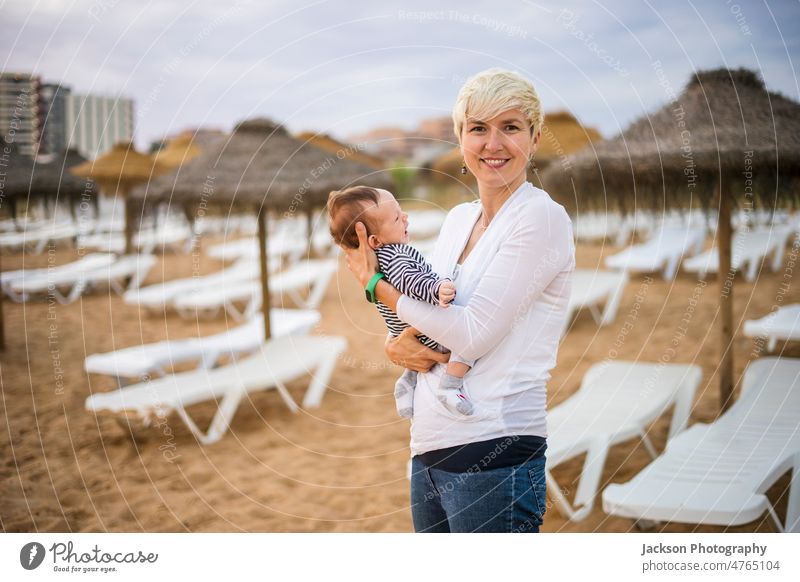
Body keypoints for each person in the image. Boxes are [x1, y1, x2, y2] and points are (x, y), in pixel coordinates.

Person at [342, 68, 575, 532]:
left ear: (534, 138)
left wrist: (374, 286)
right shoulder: (456, 220)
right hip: (428, 446)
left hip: (496, 449)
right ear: (460, 138)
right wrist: (396, 345)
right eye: (477, 128)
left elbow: (472, 333)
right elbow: (430, 312)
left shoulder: (541, 218)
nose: (493, 144)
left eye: (509, 127)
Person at [327, 185, 479, 419]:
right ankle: (450, 385)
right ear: (375, 240)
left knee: (426, 354)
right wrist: (435, 289)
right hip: (424, 329)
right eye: (397, 217)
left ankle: (407, 382)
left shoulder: (382, 258)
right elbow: (409, 281)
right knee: (465, 347)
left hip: (404, 330)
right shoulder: (395, 255)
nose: (405, 217)